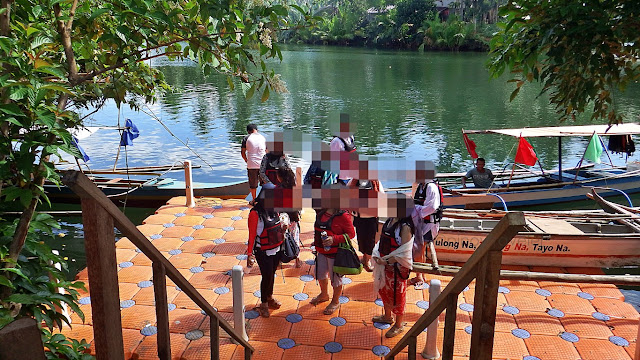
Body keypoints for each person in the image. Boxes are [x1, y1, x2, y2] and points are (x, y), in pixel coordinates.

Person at [371, 195, 415, 338]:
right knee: (384, 290)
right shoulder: (390, 221)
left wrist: (387, 261)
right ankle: (387, 316)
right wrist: (377, 254)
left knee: (398, 296)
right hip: (385, 264)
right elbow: (381, 240)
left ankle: (399, 324)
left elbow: (405, 252)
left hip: (397, 268)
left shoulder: (405, 228)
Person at [246, 190, 288, 318]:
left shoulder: (274, 210)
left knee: (272, 274)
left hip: (276, 247)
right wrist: (249, 254)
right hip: (263, 251)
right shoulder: (255, 214)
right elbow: (252, 235)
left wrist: (283, 227)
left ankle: (269, 297)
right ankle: (263, 303)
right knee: (266, 275)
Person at [310, 207, 356, 315]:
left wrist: (334, 239)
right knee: (320, 274)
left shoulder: (343, 216)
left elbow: (351, 234)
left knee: (335, 280)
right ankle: (324, 294)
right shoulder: (321, 212)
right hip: (321, 251)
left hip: (335, 255)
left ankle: (335, 301)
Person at [409, 180, 443, 286]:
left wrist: (417, 209)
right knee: (420, 250)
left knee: (418, 250)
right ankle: (421, 274)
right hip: (421, 223)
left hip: (429, 224)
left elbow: (432, 207)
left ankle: (419, 278)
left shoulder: (431, 187)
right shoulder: (421, 186)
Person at [349, 178, 383, 272]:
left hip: (371, 217)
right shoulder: (353, 182)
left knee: (370, 240)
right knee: (361, 239)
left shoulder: (376, 182)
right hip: (358, 217)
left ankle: (367, 261)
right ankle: (364, 257)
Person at [241, 124, 267, 202]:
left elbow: (242, 152)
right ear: (256, 130)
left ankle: (254, 200)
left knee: (253, 185)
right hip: (263, 164)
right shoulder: (263, 138)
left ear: (248, 131)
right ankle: (264, 200)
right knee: (265, 183)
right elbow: (267, 151)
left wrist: (246, 160)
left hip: (251, 164)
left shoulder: (246, 138)